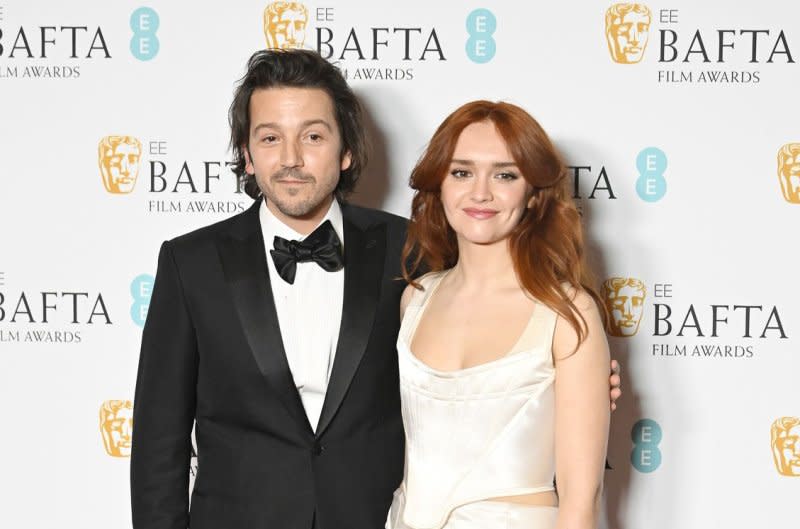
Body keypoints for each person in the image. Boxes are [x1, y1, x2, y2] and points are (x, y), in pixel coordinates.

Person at [131, 49, 622, 529]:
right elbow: (158, 441)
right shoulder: (190, 263)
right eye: (269, 138)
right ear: (247, 155)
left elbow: (495, 342)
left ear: (347, 152)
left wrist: (579, 378)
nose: (292, 159)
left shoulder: (409, 254)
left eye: (314, 136)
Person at [388, 101, 610, 529]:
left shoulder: (567, 313)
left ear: (533, 195)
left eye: (505, 175)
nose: (480, 193)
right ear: (440, 185)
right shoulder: (415, 299)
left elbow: (583, 501)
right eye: (462, 172)